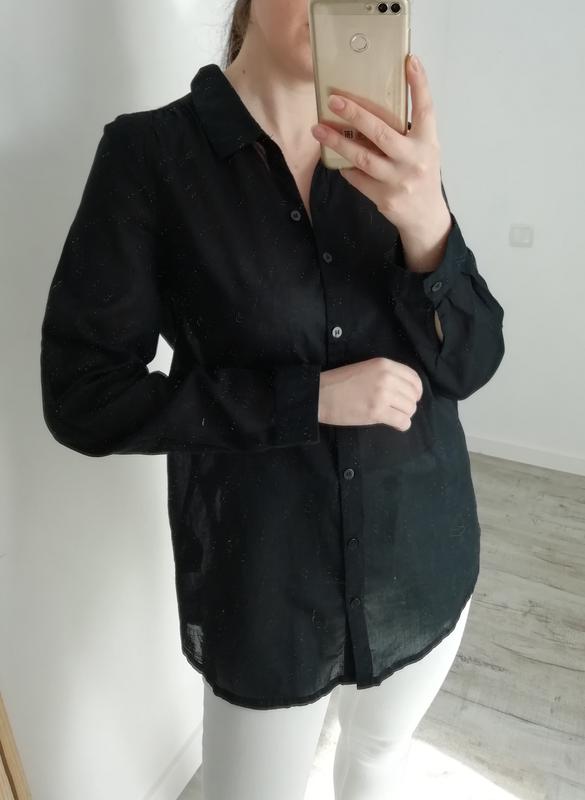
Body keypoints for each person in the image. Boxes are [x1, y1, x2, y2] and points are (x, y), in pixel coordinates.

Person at [40, 1, 505, 798]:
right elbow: (83, 394)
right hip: (266, 580)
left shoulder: (391, 151)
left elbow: (470, 362)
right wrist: (305, 398)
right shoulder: (151, 157)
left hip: (419, 549)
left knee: (377, 760)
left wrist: (427, 222)